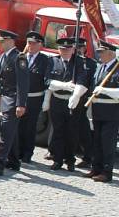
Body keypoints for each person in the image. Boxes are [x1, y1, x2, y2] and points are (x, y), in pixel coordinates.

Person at [0, 29, 29, 175]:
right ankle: (14, 161)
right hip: (5, 99)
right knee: (11, 132)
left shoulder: (19, 57)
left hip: (14, 100)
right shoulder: (3, 57)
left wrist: (21, 104)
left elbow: (23, 83)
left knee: (5, 132)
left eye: (2, 41)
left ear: (10, 41)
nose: (0, 44)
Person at [44, 37, 90, 172]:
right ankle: (57, 160)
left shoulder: (80, 62)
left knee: (72, 132)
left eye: (68, 49)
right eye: (62, 49)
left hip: (73, 102)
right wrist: (63, 85)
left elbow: (83, 80)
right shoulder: (53, 61)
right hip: (57, 100)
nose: (65, 51)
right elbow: (47, 81)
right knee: (58, 131)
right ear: (59, 49)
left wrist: (76, 94)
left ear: (73, 49)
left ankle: (70, 160)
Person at [87, 40, 119, 183]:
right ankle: (96, 168)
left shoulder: (117, 69)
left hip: (111, 111)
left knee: (107, 143)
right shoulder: (100, 67)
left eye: (102, 52)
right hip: (97, 109)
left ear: (111, 53)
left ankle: (107, 172)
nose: (99, 54)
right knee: (97, 141)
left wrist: (105, 90)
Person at [16, 31, 49, 163]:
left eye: (34, 43)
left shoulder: (45, 60)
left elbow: (46, 80)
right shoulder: (21, 57)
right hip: (20, 97)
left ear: (40, 45)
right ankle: (16, 151)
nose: (31, 46)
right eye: (29, 43)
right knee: (18, 125)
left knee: (30, 127)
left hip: (34, 98)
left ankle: (27, 153)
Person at [74, 37, 97, 168]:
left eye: (80, 47)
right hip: (66, 98)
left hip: (84, 100)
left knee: (84, 129)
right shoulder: (70, 60)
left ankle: (88, 157)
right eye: (76, 47)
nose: (78, 50)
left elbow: (93, 82)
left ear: (84, 48)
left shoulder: (91, 63)